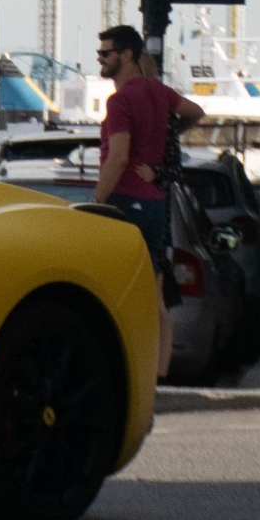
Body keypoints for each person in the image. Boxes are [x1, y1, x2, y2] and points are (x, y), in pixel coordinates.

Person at [90, 25, 206, 378]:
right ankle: (161, 372)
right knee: (154, 294)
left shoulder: (121, 101)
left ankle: (122, 369)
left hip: (125, 200)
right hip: (155, 202)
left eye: (106, 53)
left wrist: (98, 199)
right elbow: (196, 110)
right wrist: (170, 135)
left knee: (117, 290)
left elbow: (119, 155)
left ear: (126, 55)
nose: (100, 59)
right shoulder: (159, 92)